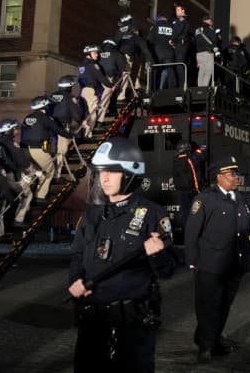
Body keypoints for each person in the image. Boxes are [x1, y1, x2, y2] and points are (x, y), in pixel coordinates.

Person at [68, 137, 175, 372]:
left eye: (113, 172)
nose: (104, 178)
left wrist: (157, 254)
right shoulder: (92, 215)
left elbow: (168, 270)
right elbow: (77, 255)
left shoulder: (152, 214)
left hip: (132, 322)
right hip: (92, 318)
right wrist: (75, 280)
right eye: (102, 172)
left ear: (130, 174)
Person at [184, 155, 250, 364]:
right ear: (219, 177)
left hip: (235, 262)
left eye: (237, 173)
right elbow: (191, 233)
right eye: (232, 173)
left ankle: (214, 338)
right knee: (208, 306)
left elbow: (248, 229)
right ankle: (205, 346)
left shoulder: (241, 199)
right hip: (210, 263)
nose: (236, 177)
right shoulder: (204, 200)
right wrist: (193, 261)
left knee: (224, 304)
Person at [17, 95, 72, 223]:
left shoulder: (27, 118)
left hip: (24, 151)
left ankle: (22, 209)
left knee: (32, 175)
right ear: (44, 107)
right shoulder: (44, 118)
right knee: (50, 170)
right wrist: (71, 135)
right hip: (37, 149)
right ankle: (40, 195)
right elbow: (58, 130)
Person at [50, 75, 85, 177]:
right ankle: (58, 173)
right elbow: (76, 113)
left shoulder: (52, 95)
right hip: (62, 126)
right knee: (62, 149)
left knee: (54, 148)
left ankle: (56, 168)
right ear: (69, 87)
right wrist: (81, 122)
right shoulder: (69, 97)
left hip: (50, 126)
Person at [79, 45, 115, 137]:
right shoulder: (93, 65)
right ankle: (87, 134)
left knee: (86, 113)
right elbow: (102, 78)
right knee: (92, 115)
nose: (97, 55)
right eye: (95, 53)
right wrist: (112, 86)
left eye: (97, 53)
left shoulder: (82, 65)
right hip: (90, 92)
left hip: (83, 91)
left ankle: (85, 133)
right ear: (89, 54)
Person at [171, 141, 205, 237]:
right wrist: (199, 151)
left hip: (181, 191)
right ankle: (196, 235)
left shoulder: (176, 159)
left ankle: (188, 235)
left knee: (186, 214)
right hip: (192, 192)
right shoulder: (190, 158)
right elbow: (194, 174)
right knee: (196, 214)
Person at [148, 12, 177, 89]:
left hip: (158, 52)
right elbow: (176, 40)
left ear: (159, 19)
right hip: (169, 52)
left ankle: (154, 89)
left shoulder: (155, 26)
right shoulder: (172, 27)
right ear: (166, 19)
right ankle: (172, 90)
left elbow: (150, 40)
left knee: (156, 70)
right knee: (170, 70)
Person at [194, 15, 220, 87]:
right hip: (207, 53)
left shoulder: (197, 30)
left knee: (201, 72)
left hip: (199, 54)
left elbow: (195, 41)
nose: (212, 22)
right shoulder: (210, 30)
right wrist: (217, 52)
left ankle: (199, 88)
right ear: (207, 21)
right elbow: (214, 43)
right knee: (208, 72)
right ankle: (204, 89)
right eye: (211, 21)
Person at [171, 4, 191, 87]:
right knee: (177, 66)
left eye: (178, 10)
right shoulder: (178, 21)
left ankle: (182, 85)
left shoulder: (184, 21)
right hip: (178, 45)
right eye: (176, 10)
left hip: (181, 45)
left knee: (179, 65)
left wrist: (171, 39)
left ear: (183, 11)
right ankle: (179, 85)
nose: (176, 12)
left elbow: (178, 32)